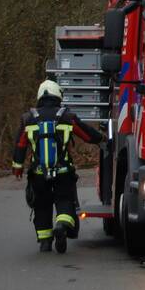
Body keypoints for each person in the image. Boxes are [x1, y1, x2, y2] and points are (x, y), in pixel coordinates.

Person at [12, 80, 104, 253]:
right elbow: (87, 134)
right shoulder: (66, 116)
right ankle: (61, 225)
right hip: (63, 172)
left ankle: (45, 242)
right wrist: (102, 139)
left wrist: (17, 167)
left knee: (41, 206)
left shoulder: (28, 118)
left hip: (38, 173)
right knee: (64, 201)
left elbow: (20, 145)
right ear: (58, 95)